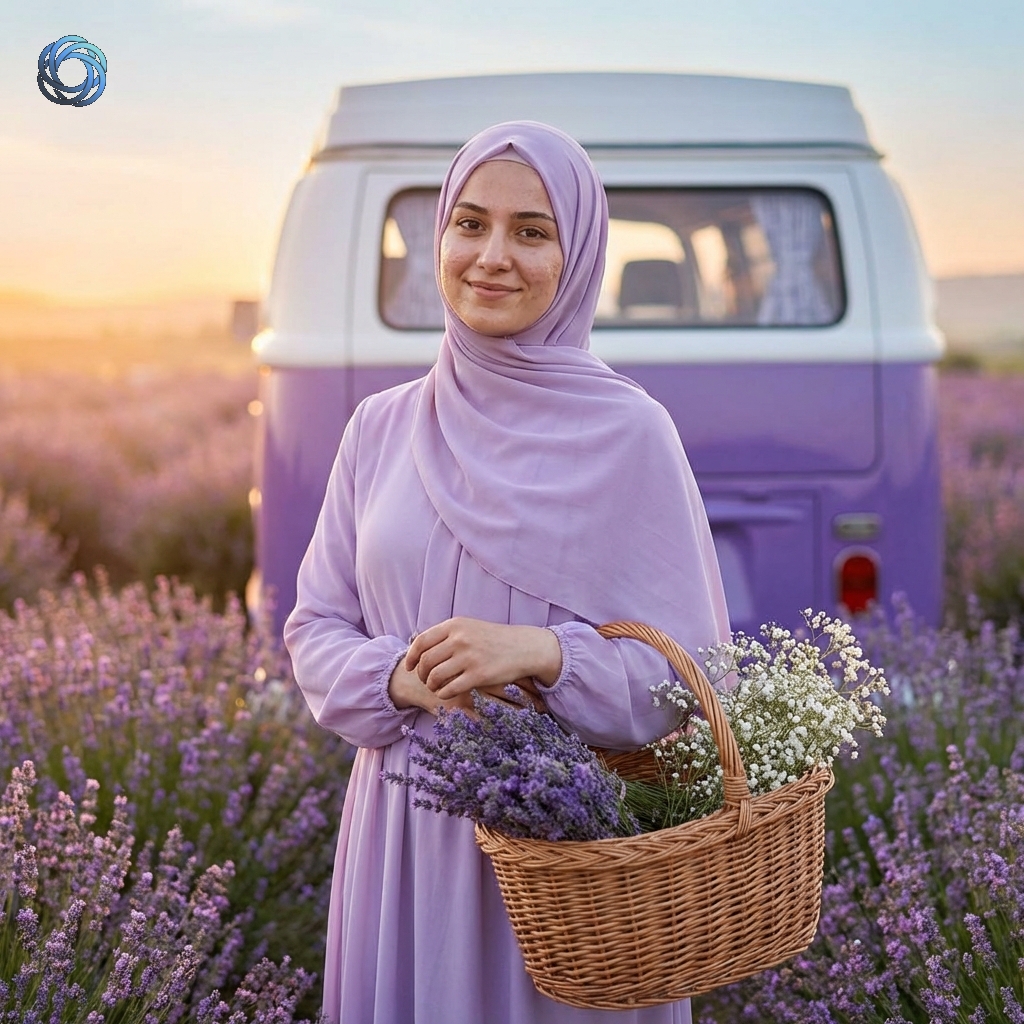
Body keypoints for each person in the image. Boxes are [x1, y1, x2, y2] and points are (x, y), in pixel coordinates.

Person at [284, 119, 731, 1024]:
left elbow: (691, 681)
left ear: (578, 257)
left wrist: (540, 652)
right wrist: (399, 676)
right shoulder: (379, 427)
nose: (492, 256)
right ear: (439, 237)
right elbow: (314, 627)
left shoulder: (632, 436)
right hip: (406, 843)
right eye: (469, 224)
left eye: (533, 231)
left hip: (571, 869)